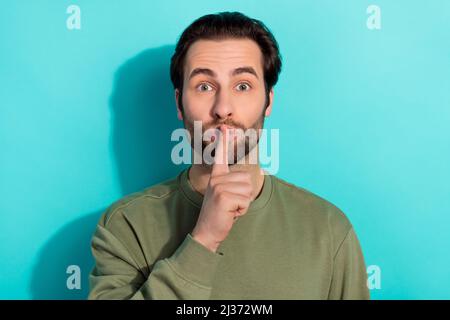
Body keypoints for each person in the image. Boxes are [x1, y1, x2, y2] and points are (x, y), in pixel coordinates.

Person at [88, 11, 370, 300]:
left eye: (243, 86)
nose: (223, 108)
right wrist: (205, 238)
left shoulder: (329, 229)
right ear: (179, 103)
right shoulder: (125, 226)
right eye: (205, 86)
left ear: (268, 100)